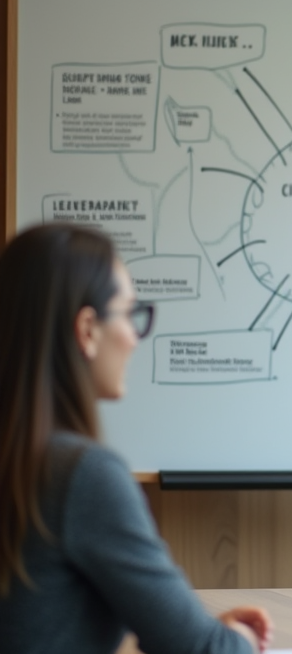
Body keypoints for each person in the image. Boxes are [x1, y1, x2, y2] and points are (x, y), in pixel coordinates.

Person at [0, 224, 273, 654]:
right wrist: (236, 639)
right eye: (129, 314)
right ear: (87, 330)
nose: (134, 336)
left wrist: (192, 631)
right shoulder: (81, 475)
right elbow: (205, 652)